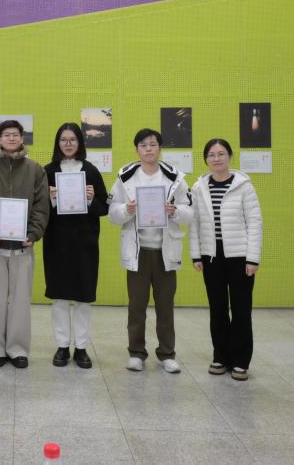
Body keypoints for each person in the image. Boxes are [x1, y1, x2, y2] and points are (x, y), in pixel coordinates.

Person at [108, 128, 192, 373]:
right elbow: (112, 213)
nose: (148, 149)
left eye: (153, 144)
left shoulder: (174, 177)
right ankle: (136, 353)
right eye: (143, 145)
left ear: (160, 148)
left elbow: (190, 212)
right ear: (137, 150)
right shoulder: (125, 176)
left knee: (165, 306)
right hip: (138, 252)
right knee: (136, 306)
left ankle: (167, 354)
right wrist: (127, 210)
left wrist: (175, 211)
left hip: (165, 252)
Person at [0, 119, 50, 368]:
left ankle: (18, 350)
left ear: (22, 138)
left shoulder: (35, 170)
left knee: (20, 302)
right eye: (6, 134)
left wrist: (33, 233)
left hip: (23, 248)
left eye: (15, 134)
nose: (11, 138)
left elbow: (41, 206)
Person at [190, 138, 263, 381]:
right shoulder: (199, 187)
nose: (216, 158)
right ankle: (220, 356)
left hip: (240, 257)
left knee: (241, 310)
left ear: (230, 157)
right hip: (211, 257)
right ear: (206, 159)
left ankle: (241, 361)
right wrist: (196, 254)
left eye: (221, 154)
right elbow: (195, 223)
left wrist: (253, 259)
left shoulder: (244, 186)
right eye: (211, 155)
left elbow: (255, 222)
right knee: (217, 309)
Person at [43, 123, 109, 369]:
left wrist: (90, 199)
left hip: (85, 244)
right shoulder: (47, 171)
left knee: (83, 298)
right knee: (59, 298)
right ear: (57, 143)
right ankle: (62, 346)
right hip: (56, 243)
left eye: (72, 139)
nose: (68, 144)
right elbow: (38, 209)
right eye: (63, 139)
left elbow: (104, 207)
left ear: (80, 142)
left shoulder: (91, 171)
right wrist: (50, 199)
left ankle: (81, 347)